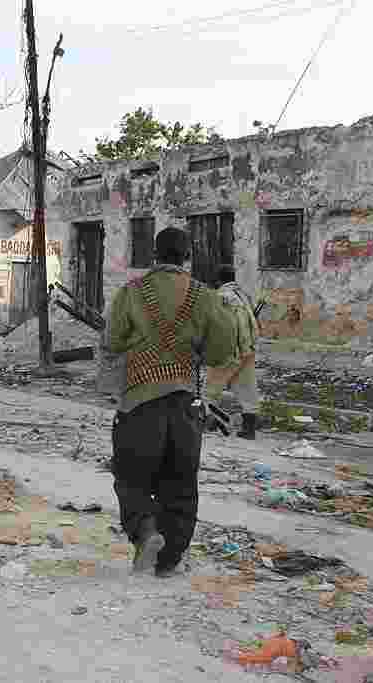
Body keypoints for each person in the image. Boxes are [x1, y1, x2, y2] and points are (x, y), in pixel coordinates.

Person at [106, 227, 237, 577]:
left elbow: (113, 340)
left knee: (131, 478)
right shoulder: (205, 296)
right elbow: (221, 352)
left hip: (139, 402)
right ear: (187, 257)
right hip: (184, 403)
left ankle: (145, 530)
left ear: (155, 255)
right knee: (180, 485)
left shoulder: (131, 292)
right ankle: (169, 561)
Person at [205, 264, 261, 439]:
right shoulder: (244, 295)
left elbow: (218, 327)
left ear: (218, 280)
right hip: (248, 348)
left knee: (210, 390)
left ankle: (210, 423)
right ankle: (249, 430)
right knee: (247, 390)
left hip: (229, 351)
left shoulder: (221, 297)